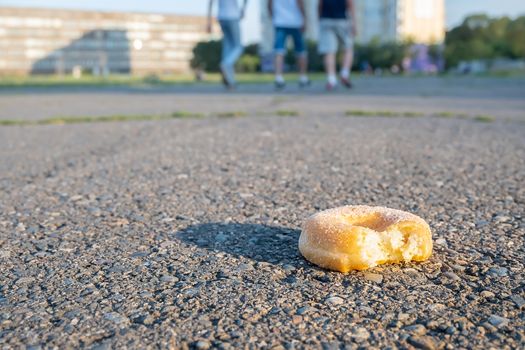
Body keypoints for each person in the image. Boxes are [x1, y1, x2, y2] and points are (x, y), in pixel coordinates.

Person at [268, 0, 310, 89]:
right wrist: (304, 18)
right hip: (295, 21)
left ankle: (278, 77)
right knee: (301, 51)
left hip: (280, 21)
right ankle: (302, 77)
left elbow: (269, 4)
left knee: (279, 51)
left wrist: (273, 16)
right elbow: (300, 3)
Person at [207, 0, 248, 88]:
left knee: (228, 47)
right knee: (238, 46)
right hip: (233, 16)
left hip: (222, 17)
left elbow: (211, 2)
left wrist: (209, 21)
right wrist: (243, 8)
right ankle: (226, 64)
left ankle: (230, 80)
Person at [318, 0, 356, 90]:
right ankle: (344, 74)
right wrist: (354, 23)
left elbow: (320, 4)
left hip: (325, 20)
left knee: (329, 51)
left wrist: (319, 19)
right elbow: (350, 4)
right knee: (348, 48)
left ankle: (331, 79)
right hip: (342, 20)